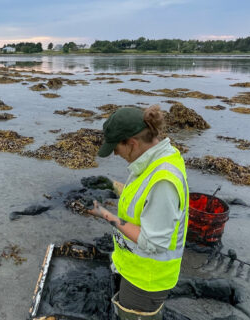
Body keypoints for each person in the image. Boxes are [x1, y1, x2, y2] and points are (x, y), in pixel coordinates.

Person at [89, 105, 189, 320]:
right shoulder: (155, 160)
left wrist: (106, 215)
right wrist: (113, 186)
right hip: (135, 267)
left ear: (132, 143)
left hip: (147, 279)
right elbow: (144, 200)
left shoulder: (163, 181)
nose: (116, 154)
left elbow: (152, 242)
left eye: (117, 149)